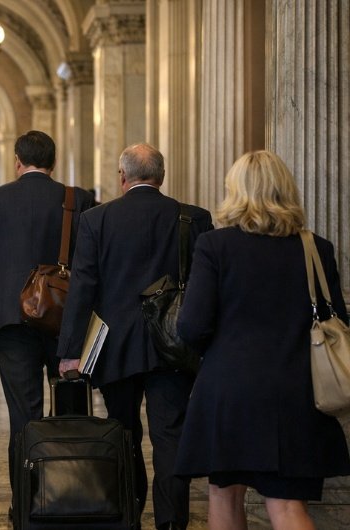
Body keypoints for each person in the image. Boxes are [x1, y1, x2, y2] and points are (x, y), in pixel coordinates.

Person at [174, 150, 350, 530]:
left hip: (229, 390)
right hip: (297, 392)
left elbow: (191, 326)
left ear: (236, 192)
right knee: (287, 507)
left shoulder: (215, 246)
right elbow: (337, 319)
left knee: (224, 497)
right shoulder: (315, 248)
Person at [56, 143, 213, 530]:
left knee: (122, 432)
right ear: (161, 177)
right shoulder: (193, 218)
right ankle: (172, 522)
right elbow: (207, 287)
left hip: (116, 346)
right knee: (170, 436)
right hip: (176, 346)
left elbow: (83, 288)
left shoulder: (96, 220)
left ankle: (128, 516)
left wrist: (71, 351)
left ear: (122, 178)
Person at [0, 130, 96, 495]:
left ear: (17, 161)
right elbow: (90, 265)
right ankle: (69, 495)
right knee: (70, 410)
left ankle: (26, 501)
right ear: (53, 163)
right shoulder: (78, 199)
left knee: (23, 416)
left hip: (9, 317)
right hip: (65, 319)